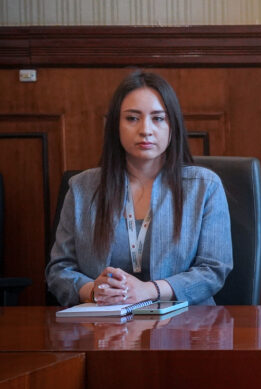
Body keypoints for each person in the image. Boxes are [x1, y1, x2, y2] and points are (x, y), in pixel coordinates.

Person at [46, 71, 232, 306]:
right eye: (132, 118)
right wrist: (94, 291)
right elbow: (60, 270)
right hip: (104, 321)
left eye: (158, 118)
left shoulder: (205, 186)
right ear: (116, 125)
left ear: (173, 126)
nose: (146, 129)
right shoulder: (82, 188)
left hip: (186, 322)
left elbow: (213, 270)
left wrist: (149, 290)